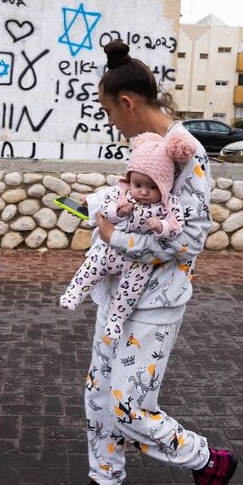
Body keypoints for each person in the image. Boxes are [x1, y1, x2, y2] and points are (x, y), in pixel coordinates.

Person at [53, 40, 237, 485]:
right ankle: (105, 484)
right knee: (98, 392)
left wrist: (119, 241)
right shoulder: (146, 145)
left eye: (110, 111)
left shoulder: (186, 150)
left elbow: (189, 240)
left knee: (127, 406)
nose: (110, 121)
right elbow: (136, 205)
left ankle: (205, 460)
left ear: (128, 103)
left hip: (156, 303)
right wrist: (107, 211)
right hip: (118, 298)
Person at [59, 131, 195, 341]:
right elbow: (104, 207)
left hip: (138, 260)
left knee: (130, 291)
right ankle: (74, 292)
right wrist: (118, 212)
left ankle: (116, 319)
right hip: (110, 249)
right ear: (129, 179)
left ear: (164, 185)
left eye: (153, 187)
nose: (144, 192)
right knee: (91, 266)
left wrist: (161, 226)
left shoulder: (169, 204)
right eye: (138, 185)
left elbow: (177, 227)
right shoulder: (121, 194)